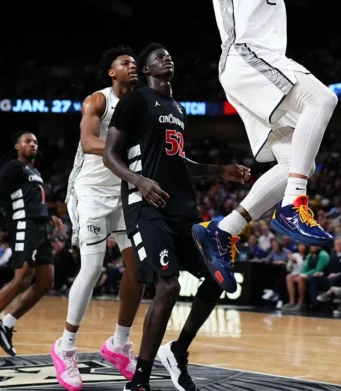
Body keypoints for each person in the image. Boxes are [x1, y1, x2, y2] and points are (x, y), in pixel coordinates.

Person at [195, 0, 340, 294]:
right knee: (323, 99)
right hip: (245, 57)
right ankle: (295, 203)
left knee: (297, 161)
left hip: (259, 70)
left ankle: (224, 229)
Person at [102, 43, 250, 391]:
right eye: (158, 56)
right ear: (146, 69)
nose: (167, 58)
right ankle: (140, 379)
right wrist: (139, 181)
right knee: (167, 285)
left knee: (216, 279)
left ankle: (178, 351)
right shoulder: (136, 100)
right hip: (146, 208)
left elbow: (180, 161)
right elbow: (110, 154)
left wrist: (221, 170)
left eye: (169, 55)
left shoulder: (179, 108)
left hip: (183, 210)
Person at [53, 47, 144, 389]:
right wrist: (131, 149)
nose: (132, 66)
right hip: (89, 191)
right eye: (125, 63)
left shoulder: (141, 103)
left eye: (134, 63)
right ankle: (65, 347)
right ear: (111, 72)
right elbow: (90, 141)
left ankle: (119, 343)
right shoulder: (98, 100)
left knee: (139, 269)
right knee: (92, 268)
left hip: (122, 191)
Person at [0, 132, 63, 359]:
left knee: (46, 282)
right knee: (22, 279)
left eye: (36, 142)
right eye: (28, 141)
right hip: (23, 226)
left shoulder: (35, 172)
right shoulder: (13, 167)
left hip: (40, 229)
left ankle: (6, 325)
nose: (33, 145)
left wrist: (48, 216)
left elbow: (32, 202)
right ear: (17, 146)